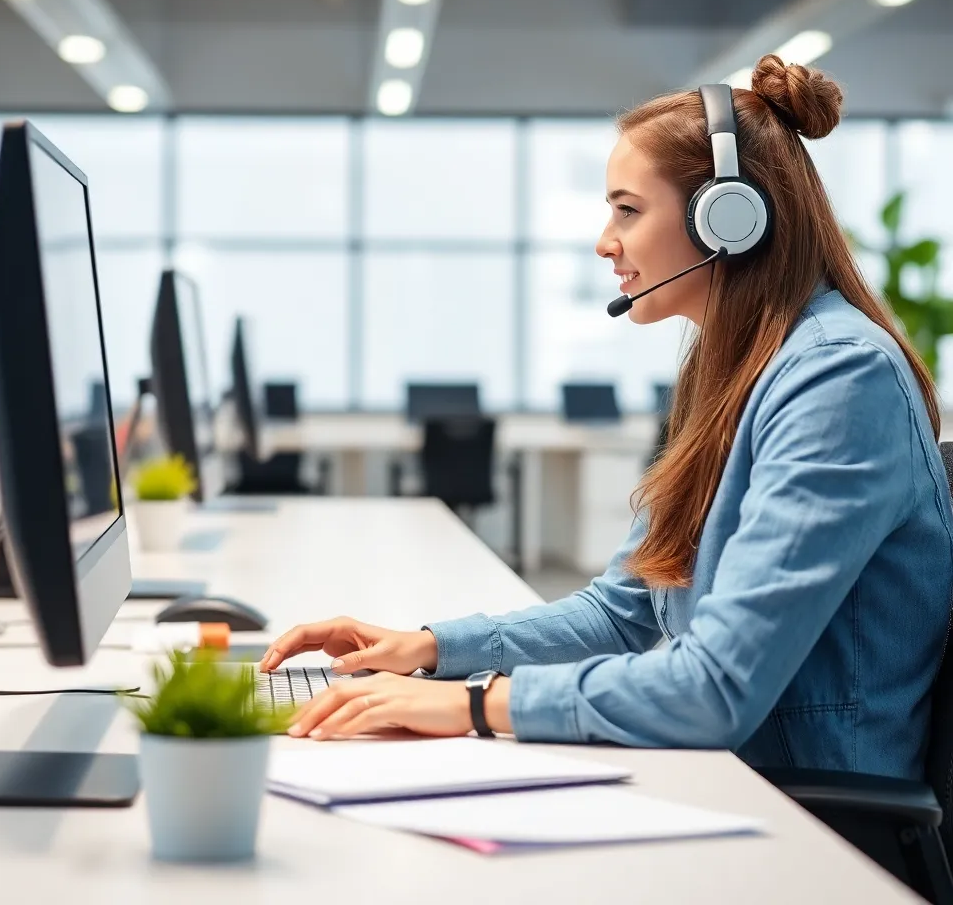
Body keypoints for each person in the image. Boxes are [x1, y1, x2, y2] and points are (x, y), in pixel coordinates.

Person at [261, 54, 953, 778]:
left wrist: (474, 706)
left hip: (811, 816)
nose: (605, 240)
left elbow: (716, 690)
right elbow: (621, 612)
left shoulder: (838, 377)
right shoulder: (739, 371)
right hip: (734, 775)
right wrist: (430, 649)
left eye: (627, 208)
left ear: (729, 220)